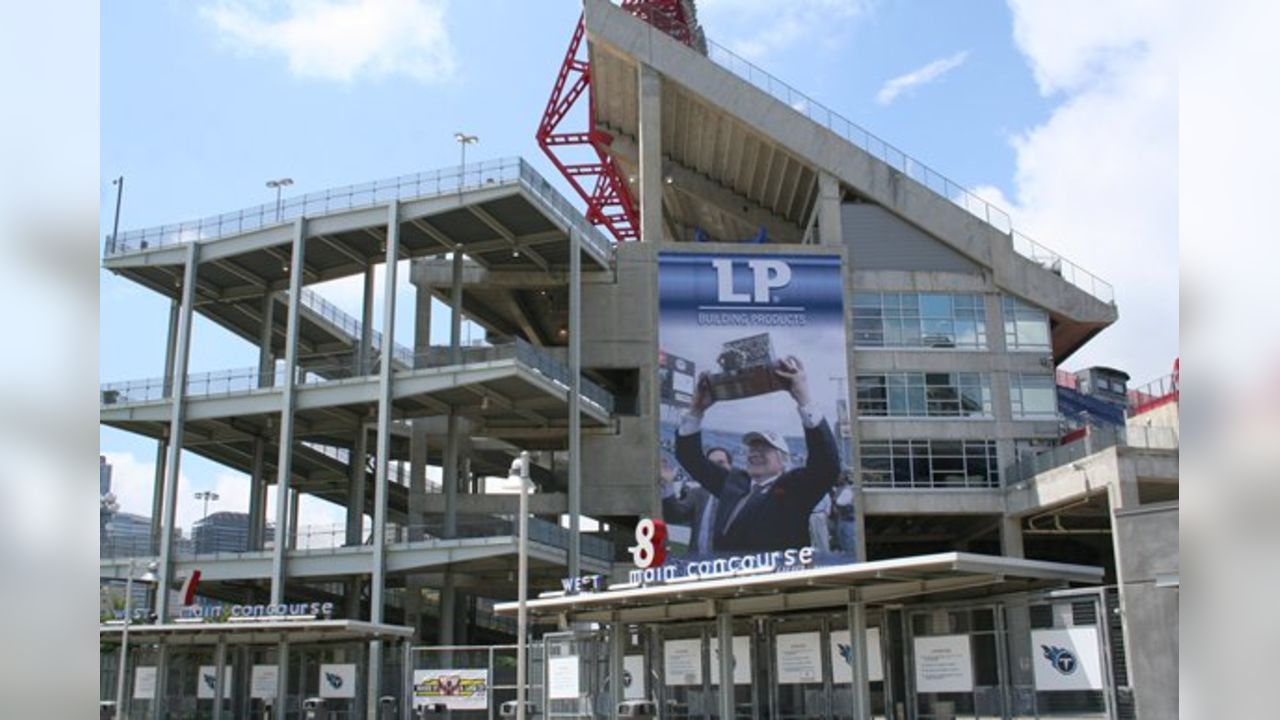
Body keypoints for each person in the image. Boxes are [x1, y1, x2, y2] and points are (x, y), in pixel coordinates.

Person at [676, 356, 840, 553]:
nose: (755, 452)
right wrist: (696, 409)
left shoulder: (793, 488)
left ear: (784, 460)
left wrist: (803, 398)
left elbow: (826, 467)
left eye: (765, 448)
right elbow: (690, 458)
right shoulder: (733, 482)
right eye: (753, 447)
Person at [661, 448, 730, 555]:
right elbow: (675, 515)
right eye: (710, 463)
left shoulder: (740, 495)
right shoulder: (698, 493)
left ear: (730, 466)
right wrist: (668, 485)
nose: (716, 467)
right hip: (696, 563)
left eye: (721, 462)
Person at [834, 475, 857, 554]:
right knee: (842, 538)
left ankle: (850, 555)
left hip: (849, 519)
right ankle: (846, 553)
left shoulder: (848, 490)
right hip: (842, 518)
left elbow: (840, 502)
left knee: (848, 538)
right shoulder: (841, 489)